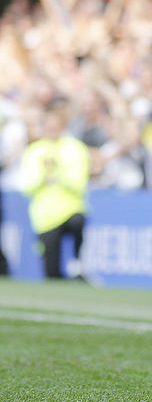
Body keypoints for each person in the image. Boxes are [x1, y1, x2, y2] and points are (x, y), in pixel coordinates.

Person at [19, 100, 90, 279]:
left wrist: (58, 171)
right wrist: (44, 173)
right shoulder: (35, 151)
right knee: (51, 272)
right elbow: (27, 186)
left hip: (70, 209)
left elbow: (79, 184)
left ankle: (77, 264)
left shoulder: (75, 148)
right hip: (45, 217)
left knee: (77, 222)